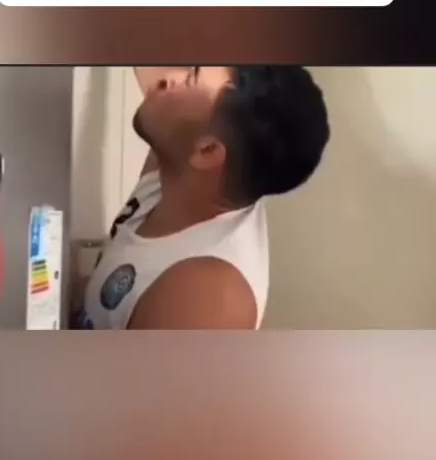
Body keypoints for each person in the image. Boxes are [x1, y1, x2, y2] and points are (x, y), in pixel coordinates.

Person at [73, 66, 330, 330]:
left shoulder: (206, 297)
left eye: (190, 77)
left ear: (207, 150)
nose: (168, 77)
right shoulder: (192, 166)